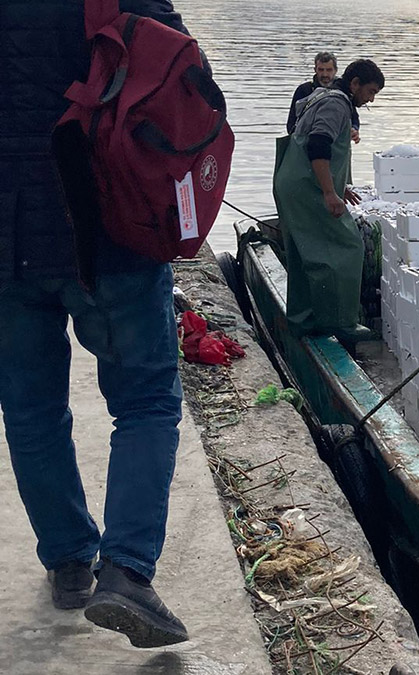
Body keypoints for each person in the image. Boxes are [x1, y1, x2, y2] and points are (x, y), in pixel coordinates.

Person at [0, 0, 192, 648]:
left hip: (8, 239)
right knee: (145, 399)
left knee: (29, 408)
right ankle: (128, 572)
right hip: (105, 225)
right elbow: (182, 78)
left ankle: (68, 562)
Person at [273, 59, 384, 342]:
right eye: (369, 91)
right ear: (355, 83)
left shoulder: (323, 96)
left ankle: (303, 321)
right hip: (306, 186)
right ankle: (341, 322)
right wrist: (329, 192)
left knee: (301, 253)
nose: (370, 99)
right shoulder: (336, 104)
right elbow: (318, 146)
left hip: (292, 183)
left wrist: (338, 186)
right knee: (347, 246)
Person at [286, 51, 360, 143]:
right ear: (315, 70)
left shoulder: (344, 91)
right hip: (306, 143)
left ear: (335, 70)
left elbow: (354, 118)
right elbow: (291, 124)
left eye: (329, 70)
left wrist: (354, 129)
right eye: (321, 70)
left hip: (337, 143)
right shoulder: (304, 90)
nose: (325, 74)